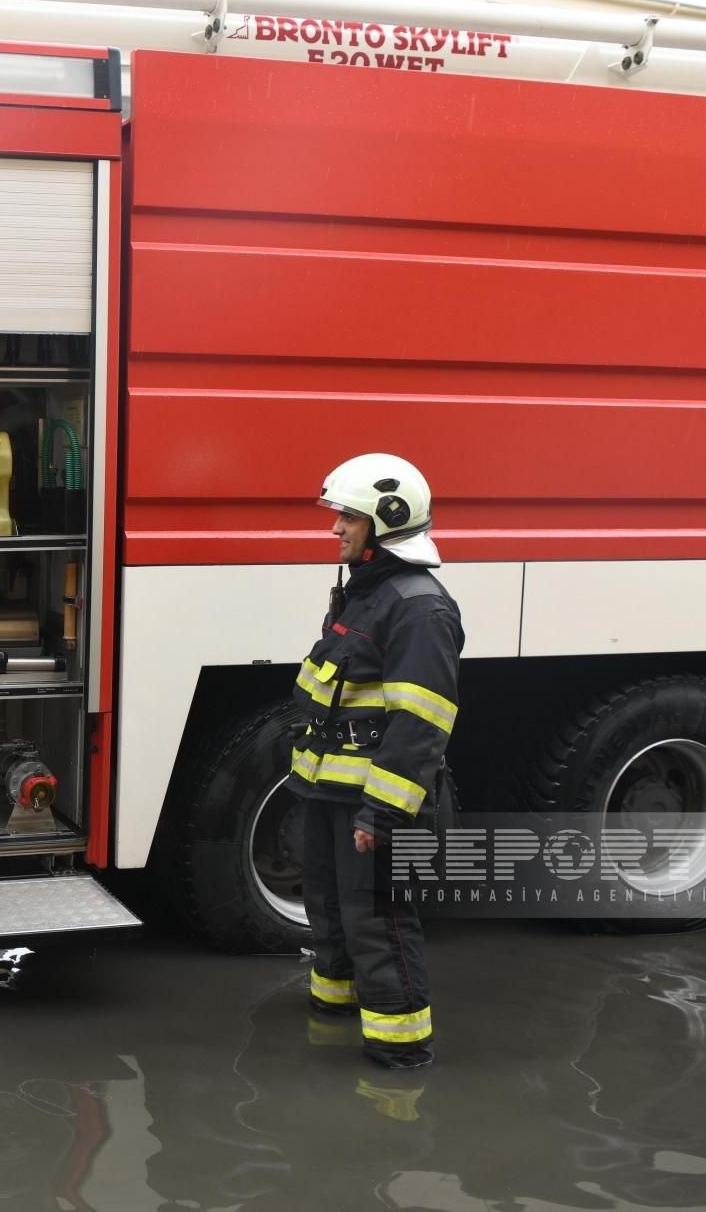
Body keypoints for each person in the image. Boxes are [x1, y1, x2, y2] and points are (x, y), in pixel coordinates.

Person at [288, 452, 464, 1070]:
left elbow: (422, 725)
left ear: (386, 523)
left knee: (378, 923)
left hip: (370, 802)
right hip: (331, 791)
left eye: (348, 518)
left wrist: (380, 813)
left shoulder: (418, 607)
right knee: (330, 910)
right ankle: (335, 1012)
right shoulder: (365, 593)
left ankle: (400, 1053)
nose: (335, 528)